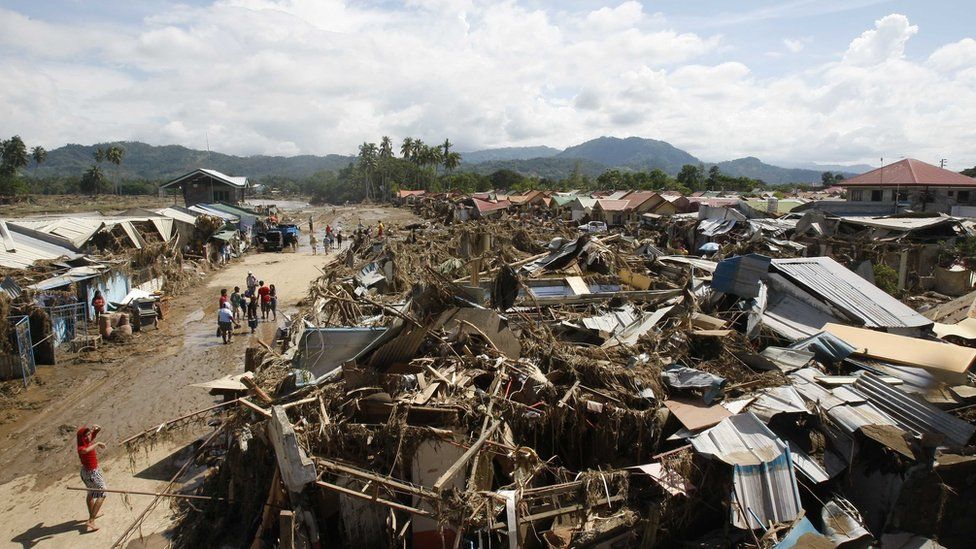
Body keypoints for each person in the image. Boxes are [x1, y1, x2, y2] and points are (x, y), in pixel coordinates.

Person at [77, 425, 107, 532]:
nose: (89, 436)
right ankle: (91, 520)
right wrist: (98, 443)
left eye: (89, 434)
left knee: (90, 493)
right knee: (102, 493)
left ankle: (92, 514)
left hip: (87, 472)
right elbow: (85, 451)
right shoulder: (81, 448)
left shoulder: (87, 441)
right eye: (86, 435)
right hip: (91, 473)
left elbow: (98, 429)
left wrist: (96, 429)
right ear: (82, 438)